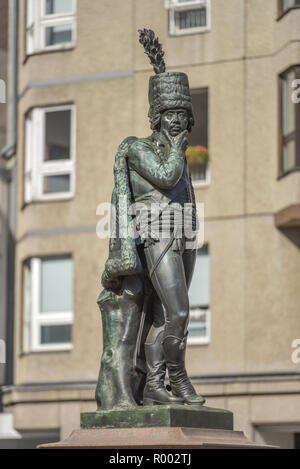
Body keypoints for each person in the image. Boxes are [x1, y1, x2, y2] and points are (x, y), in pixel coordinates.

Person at [100, 29, 205, 407]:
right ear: (156, 116)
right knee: (179, 310)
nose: (176, 121)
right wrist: (178, 152)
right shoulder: (137, 148)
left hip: (183, 236)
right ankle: (177, 378)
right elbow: (166, 176)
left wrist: (194, 234)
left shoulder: (179, 154)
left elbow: (186, 195)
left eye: (182, 114)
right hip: (156, 233)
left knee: (167, 316)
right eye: (169, 114)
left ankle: (156, 386)